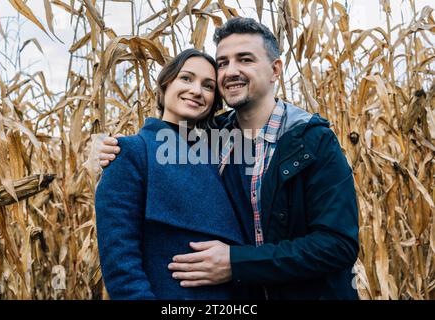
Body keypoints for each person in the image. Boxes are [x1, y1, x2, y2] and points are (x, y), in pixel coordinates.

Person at [98, 17, 359, 300]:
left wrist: (237, 263)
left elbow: (338, 245)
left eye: (244, 59)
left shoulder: (312, 141)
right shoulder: (210, 140)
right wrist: (104, 151)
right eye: (223, 63)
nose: (230, 72)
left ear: (275, 69)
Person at [94, 49, 248, 300]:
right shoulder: (131, 152)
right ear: (165, 86)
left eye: (208, 86)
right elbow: (121, 264)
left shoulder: (220, 156)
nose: (197, 91)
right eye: (186, 78)